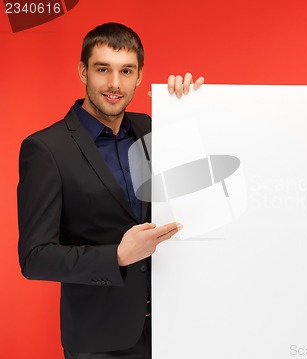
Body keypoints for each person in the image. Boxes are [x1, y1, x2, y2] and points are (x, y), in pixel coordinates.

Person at [17, 22, 203, 358]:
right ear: (82, 71)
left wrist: (187, 106)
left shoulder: (154, 127)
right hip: (100, 341)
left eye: (126, 71)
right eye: (103, 69)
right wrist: (116, 255)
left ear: (140, 76)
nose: (115, 84)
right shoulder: (46, 149)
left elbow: (199, 189)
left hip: (176, 326)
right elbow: (35, 258)